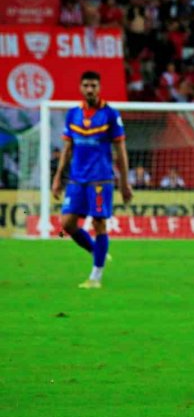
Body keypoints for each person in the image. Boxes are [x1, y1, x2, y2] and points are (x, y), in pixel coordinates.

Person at [51, 71, 132, 288]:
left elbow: (121, 150)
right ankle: (98, 252)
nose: (89, 89)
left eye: (93, 86)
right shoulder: (73, 114)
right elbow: (67, 148)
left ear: (99, 88)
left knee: (99, 223)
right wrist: (58, 177)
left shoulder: (110, 114)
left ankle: (95, 277)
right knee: (67, 224)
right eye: (86, 85)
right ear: (80, 87)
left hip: (100, 179)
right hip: (77, 179)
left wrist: (124, 182)